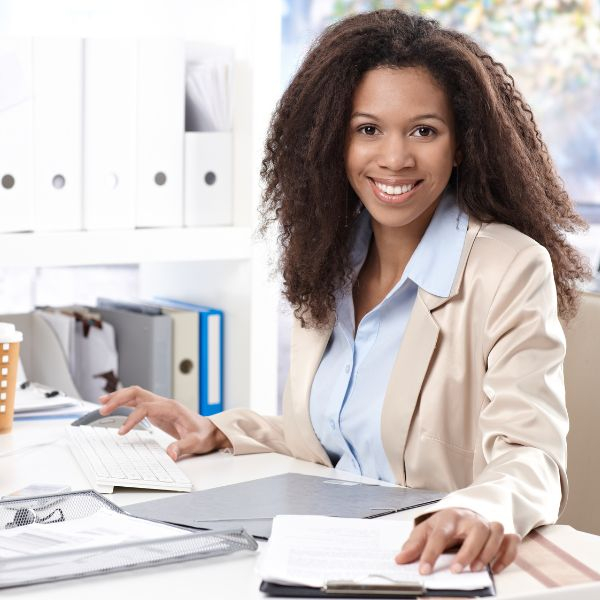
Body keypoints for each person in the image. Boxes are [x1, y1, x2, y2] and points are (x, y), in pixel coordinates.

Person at [99, 9, 590, 576]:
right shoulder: (328, 258)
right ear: (335, 140)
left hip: (427, 567)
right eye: (368, 129)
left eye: (424, 130)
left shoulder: (508, 267)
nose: (394, 157)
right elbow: (340, 434)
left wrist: (481, 509)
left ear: (461, 146)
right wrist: (219, 429)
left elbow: (532, 454)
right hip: (329, 557)